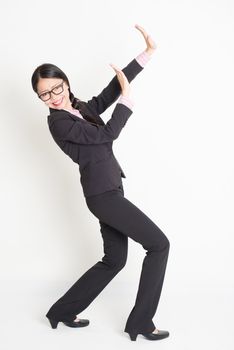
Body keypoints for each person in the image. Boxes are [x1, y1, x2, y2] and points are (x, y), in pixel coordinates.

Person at [31, 24, 170, 342]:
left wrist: (145, 55)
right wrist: (128, 101)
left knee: (115, 260)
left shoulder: (79, 108)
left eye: (56, 88)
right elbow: (106, 135)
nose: (53, 96)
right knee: (159, 245)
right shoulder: (59, 124)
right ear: (40, 97)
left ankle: (61, 312)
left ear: (65, 83)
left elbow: (110, 91)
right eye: (45, 94)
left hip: (109, 189)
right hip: (102, 195)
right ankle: (142, 322)